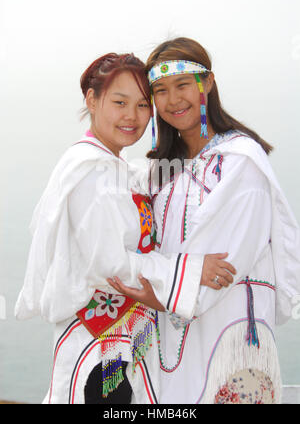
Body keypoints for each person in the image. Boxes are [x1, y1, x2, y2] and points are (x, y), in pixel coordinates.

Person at [14, 52, 235, 404]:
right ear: (92, 99)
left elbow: (135, 186)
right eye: (120, 102)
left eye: (143, 105)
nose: (132, 116)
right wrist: (191, 270)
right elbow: (111, 265)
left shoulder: (108, 165)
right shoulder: (90, 170)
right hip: (100, 347)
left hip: (121, 341)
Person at [108, 38, 300, 404]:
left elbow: (224, 262)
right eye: (160, 91)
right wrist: (178, 275)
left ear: (207, 83)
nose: (173, 100)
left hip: (228, 329)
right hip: (168, 325)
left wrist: (159, 285)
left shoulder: (241, 161)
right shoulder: (157, 174)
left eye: (182, 85)